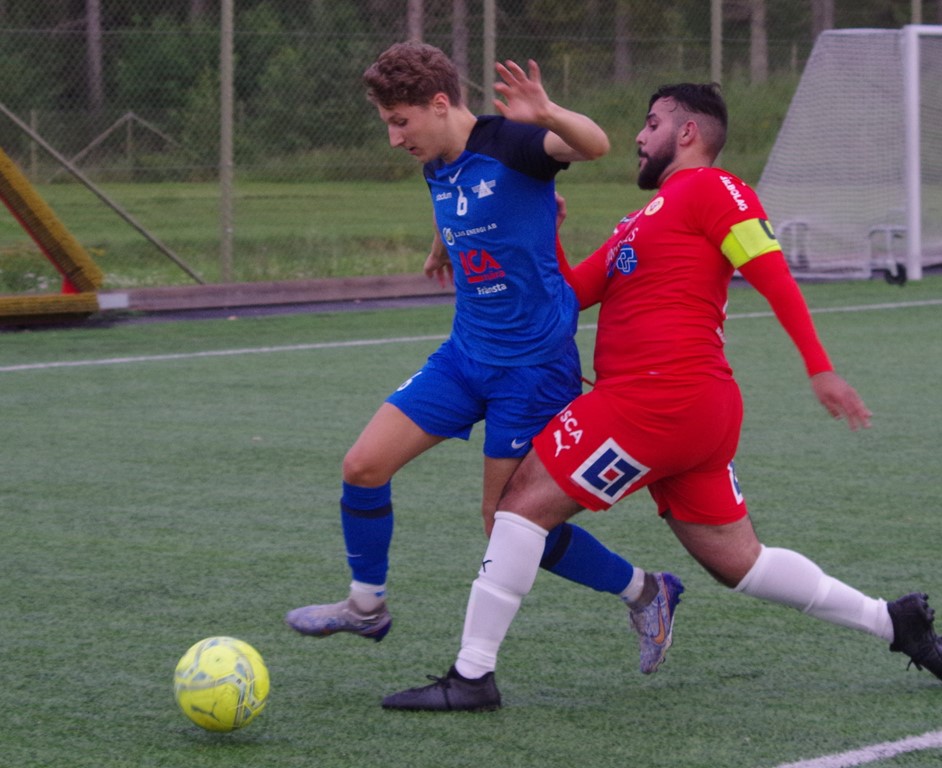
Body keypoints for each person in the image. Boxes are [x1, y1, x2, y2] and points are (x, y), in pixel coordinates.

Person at [381, 82, 942, 712]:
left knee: (516, 510)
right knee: (738, 561)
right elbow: (572, 292)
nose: (639, 135)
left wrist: (820, 368)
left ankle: (472, 677)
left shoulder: (715, 190)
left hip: (658, 399)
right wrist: (543, 231)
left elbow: (770, 270)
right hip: (684, 413)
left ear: (687, 134)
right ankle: (891, 621)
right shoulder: (644, 219)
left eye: (652, 122)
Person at [285, 42, 683, 675]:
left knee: (509, 525)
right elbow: (467, 202)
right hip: (465, 354)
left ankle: (646, 590)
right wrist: (443, 244)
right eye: (387, 122)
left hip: (531, 369)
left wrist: (547, 111)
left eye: (399, 121)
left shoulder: (515, 142)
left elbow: (595, 144)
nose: (393, 139)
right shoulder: (436, 158)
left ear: (439, 104)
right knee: (362, 465)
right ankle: (366, 606)